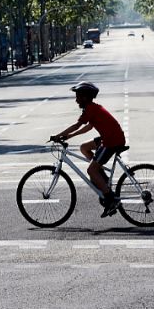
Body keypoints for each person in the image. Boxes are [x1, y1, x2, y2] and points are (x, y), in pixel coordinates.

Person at [50, 82, 127, 217]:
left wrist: (59, 136)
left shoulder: (91, 109)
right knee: (84, 148)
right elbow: (88, 127)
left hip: (111, 141)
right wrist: (69, 136)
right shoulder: (92, 108)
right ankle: (101, 176)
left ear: (85, 97)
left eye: (78, 96)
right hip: (110, 137)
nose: (76, 100)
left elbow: (77, 125)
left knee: (91, 170)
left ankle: (110, 198)